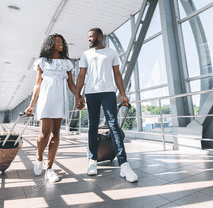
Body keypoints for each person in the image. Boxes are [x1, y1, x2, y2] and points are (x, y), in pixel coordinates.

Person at [75, 28, 138, 182]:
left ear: (100, 36)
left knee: (114, 125)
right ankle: (93, 161)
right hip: (91, 93)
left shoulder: (111, 52)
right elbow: (82, 75)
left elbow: (117, 74)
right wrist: (77, 95)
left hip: (108, 92)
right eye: (88, 37)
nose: (89, 39)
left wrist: (122, 94)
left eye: (92, 36)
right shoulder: (85, 55)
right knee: (93, 126)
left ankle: (124, 165)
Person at [25, 33, 83, 182]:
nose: (61, 44)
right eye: (58, 41)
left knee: (56, 132)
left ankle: (49, 169)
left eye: (62, 42)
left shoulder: (66, 63)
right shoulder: (42, 62)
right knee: (44, 134)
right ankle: (39, 158)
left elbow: (71, 83)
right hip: (46, 97)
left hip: (60, 98)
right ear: (50, 44)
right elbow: (37, 84)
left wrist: (78, 96)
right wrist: (31, 105)